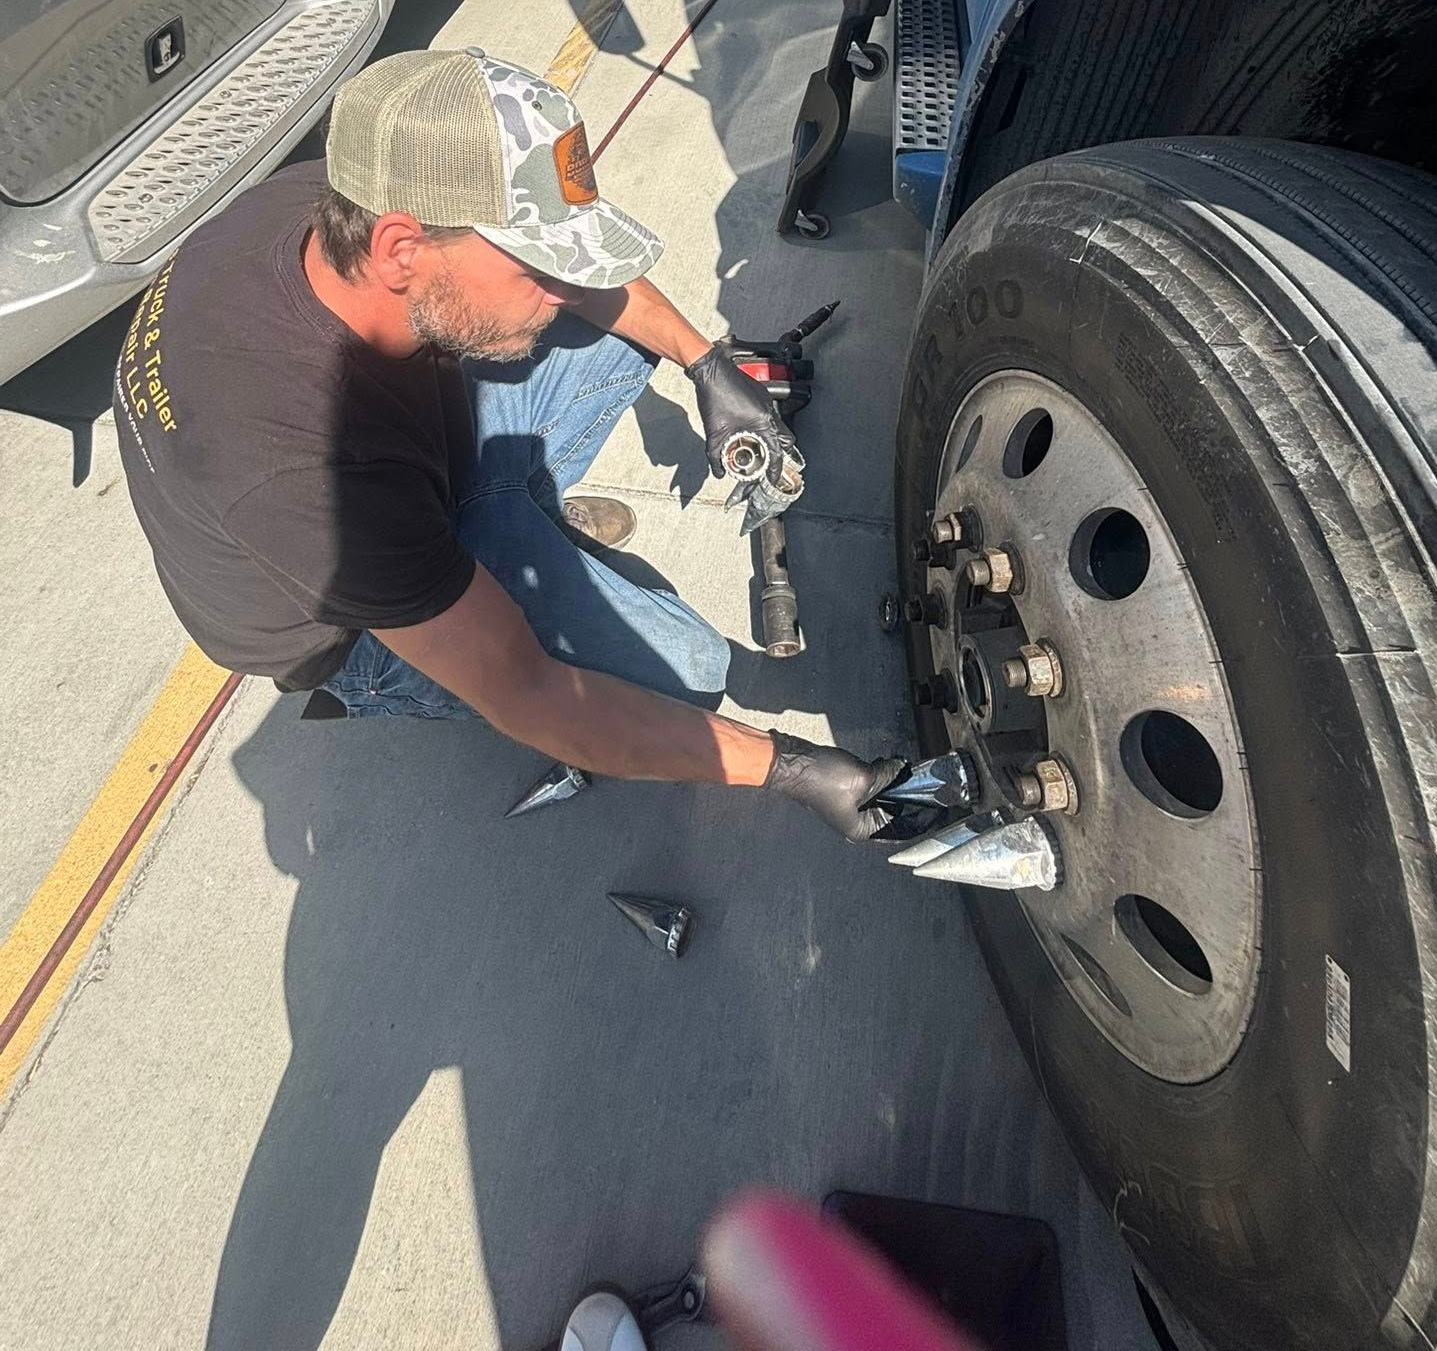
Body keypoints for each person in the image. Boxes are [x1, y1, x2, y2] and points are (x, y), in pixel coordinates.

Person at [115, 48, 902, 839]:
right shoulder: (301, 472)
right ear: (399, 249)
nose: (563, 290)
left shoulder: (345, 198)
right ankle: (461, 601)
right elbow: (529, 691)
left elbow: (584, 284)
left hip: (408, 475)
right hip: (357, 631)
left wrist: (705, 364)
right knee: (689, 675)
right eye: (540, 267)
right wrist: (791, 766)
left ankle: (516, 529)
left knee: (618, 337)